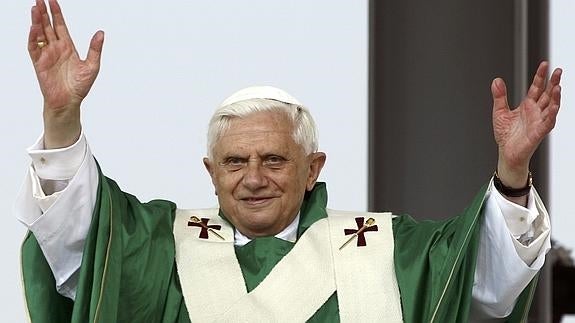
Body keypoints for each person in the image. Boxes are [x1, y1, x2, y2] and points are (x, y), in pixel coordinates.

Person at [16, 0, 563, 322]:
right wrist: (61, 117)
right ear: (210, 172)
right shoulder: (158, 248)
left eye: (274, 159)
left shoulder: (385, 252)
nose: (253, 178)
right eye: (234, 162)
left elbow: (487, 283)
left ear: (313, 169)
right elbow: (75, 241)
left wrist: (512, 170)